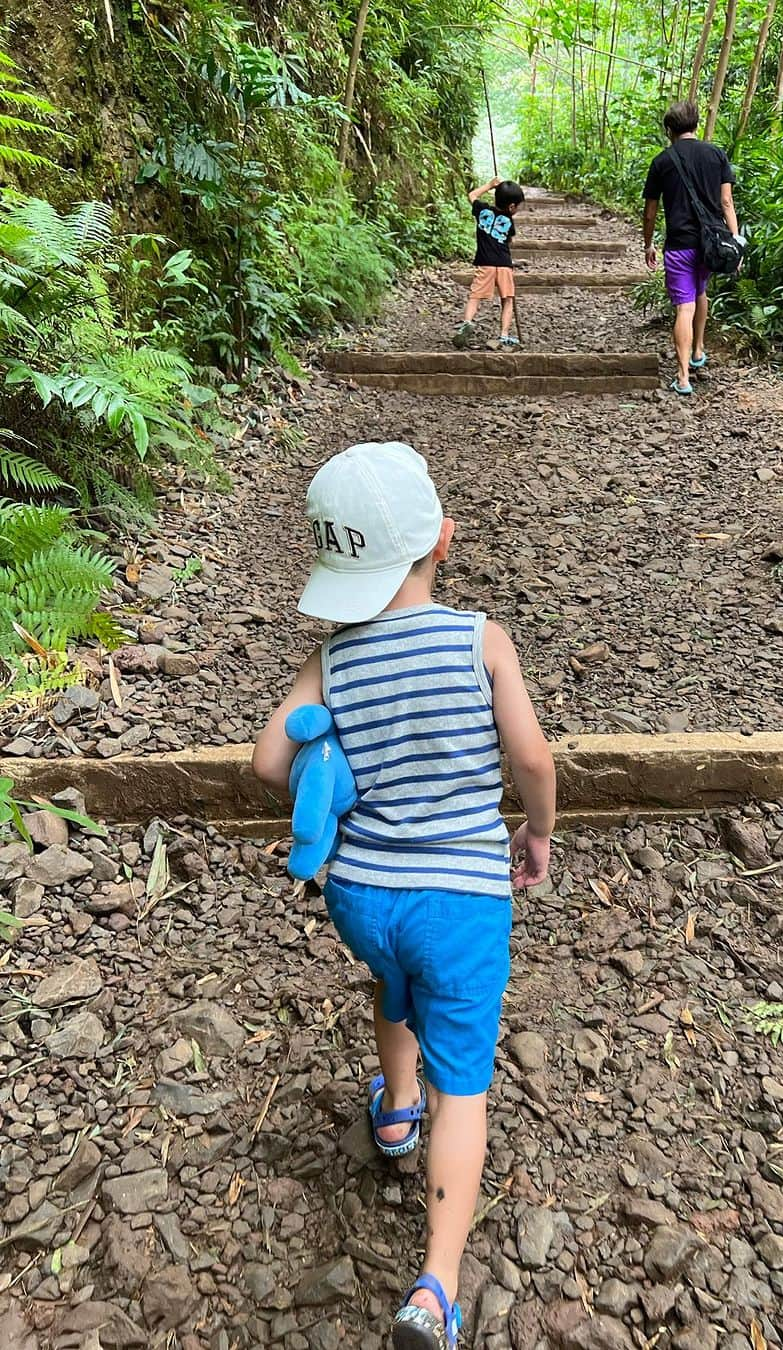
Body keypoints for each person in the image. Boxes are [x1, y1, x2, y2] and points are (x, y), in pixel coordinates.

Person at [252, 441, 556, 1350]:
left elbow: (271, 761)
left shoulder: (331, 660)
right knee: (465, 1079)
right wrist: (534, 832)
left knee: (393, 987)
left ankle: (393, 1109)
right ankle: (436, 1286)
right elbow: (532, 760)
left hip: (363, 898)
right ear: (444, 542)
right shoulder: (479, 640)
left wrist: (325, 766)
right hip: (461, 899)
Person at [642, 100, 741, 395]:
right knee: (701, 293)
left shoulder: (662, 161)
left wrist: (648, 244)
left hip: (680, 245)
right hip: (711, 245)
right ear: (696, 125)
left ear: (669, 130)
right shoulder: (716, 154)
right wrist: (734, 242)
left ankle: (683, 377)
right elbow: (726, 202)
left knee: (684, 306)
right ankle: (698, 349)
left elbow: (650, 211)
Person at [453, 177, 525, 349]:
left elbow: (472, 194)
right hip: (504, 264)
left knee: (475, 296)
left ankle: (467, 323)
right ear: (511, 207)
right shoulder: (509, 222)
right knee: (507, 299)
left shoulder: (482, 210)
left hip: (485, 263)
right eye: (518, 206)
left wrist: (489, 185)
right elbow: (509, 241)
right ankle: (504, 335)